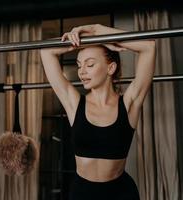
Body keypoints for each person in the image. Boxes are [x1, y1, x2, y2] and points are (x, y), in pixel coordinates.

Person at [40, 24, 156, 200]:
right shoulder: (74, 103)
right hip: (82, 194)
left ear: (111, 68)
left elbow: (149, 47)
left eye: (90, 64)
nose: (82, 72)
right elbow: (46, 52)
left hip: (121, 194)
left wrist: (96, 30)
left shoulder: (129, 103)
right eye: (79, 65)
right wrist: (77, 40)